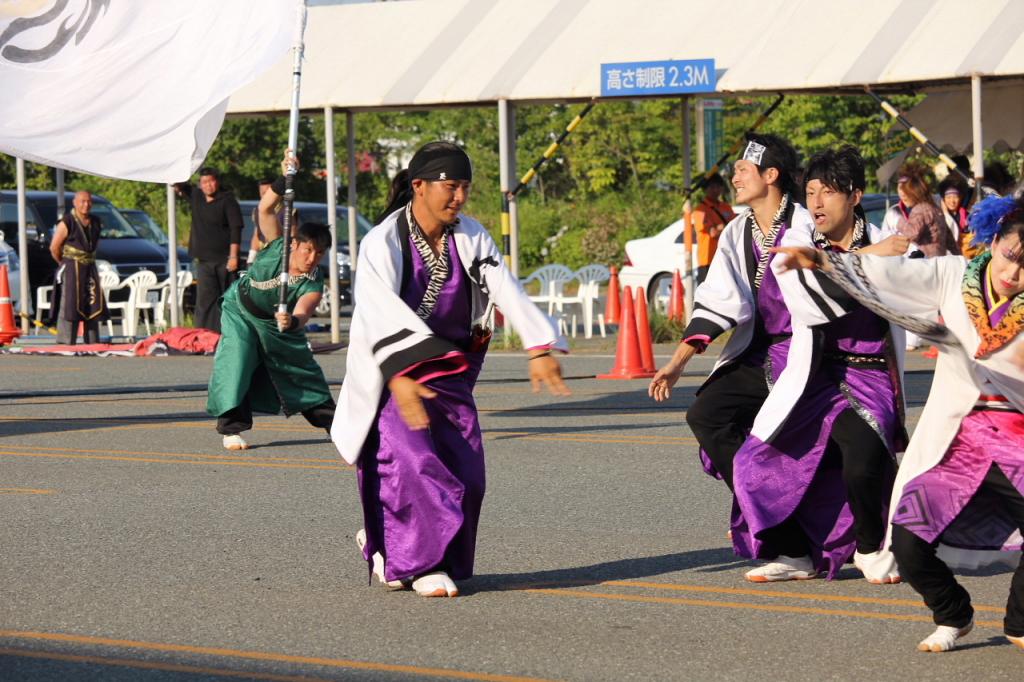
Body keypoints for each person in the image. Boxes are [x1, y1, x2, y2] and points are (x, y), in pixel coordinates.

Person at [772, 194, 1024, 652]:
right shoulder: (953, 275)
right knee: (907, 543)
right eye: (1011, 256)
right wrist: (823, 261)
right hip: (958, 439)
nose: (1014, 274)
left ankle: (1021, 622)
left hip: (1017, 440)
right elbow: (894, 274)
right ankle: (954, 613)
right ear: (996, 239)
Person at [331, 141, 570, 598]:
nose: (458, 197)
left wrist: (538, 345)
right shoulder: (382, 241)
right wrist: (401, 376)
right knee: (414, 464)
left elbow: (503, 285)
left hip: (449, 373)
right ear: (418, 186)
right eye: (449, 186)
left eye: (464, 187)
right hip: (391, 373)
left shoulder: (470, 235)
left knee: (468, 475)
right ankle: (419, 564)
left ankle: (392, 548)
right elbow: (377, 312)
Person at [724, 146, 910, 584]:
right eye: (810, 193)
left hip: (871, 375)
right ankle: (793, 555)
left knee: (863, 463)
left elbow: (918, 295)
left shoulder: (893, 242)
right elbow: (809, 302)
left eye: (828, 192)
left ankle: (869, 549)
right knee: (753, 463)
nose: (817, 203)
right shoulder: (801, 244)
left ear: (856, 195)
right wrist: (870, 257)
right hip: (815, 376)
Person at [648, 132, 809, 537]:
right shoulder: (737, 232)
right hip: (759, 353)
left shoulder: (806, 224)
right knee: (706, 413)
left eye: (742, 169)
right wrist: (675, 364)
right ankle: (762, 504)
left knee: (815, 442)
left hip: (809, 354)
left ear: (770, 174)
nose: (734, 177)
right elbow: (719, 300)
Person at [206, 152, 335, 451]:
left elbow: (304, 310)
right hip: (241, 310)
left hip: (278, 324)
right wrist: (284, 179)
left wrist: (294, 321)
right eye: (308, 250)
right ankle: (231, 428)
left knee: (302, 369)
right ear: (295, 244)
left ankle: (335, 425)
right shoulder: (278, 244)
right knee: (237, 357)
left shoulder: (312, 281)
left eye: (320, 253)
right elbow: (266, 209)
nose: (311, 258)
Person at [881, 163, 960, 350]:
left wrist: (896, 220)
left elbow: (912, 232)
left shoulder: (920, 210)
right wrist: (958, 256)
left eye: (904, 194)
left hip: (924, 264)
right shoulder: (934, 208)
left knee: (913, 303)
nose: (902, 198)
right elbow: (949, 238)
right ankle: (924, 337)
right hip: (937, 264)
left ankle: (913, 339)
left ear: (914, 192)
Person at [175, 167, 243, 332]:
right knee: (205, 300)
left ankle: (228, 332)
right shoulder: (196, 196)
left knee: (226, 298)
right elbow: (178, 185)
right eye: (204, 182)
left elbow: (236, 228)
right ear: (200, 184)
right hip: (204, 260)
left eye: (211, 181)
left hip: (224, 259)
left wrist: (233, 256)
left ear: (217, 181)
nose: (208, 185)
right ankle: (203, 333)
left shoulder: (227, 200)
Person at [48, 190, 108, 344]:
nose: (86, 205)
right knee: (70, 304)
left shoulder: (95, 222)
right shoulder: (67, 222)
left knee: (93, 303)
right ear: (75, 202)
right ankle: (66, 342)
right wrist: (64, 263)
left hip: (90, 268)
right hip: (71, 267)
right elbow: (54, 248)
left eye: (88, 201)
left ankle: (93, 341)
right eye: (82, 201)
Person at [692, 173, 735, 285]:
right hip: (708, 260)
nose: (715, 190)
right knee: (706, 299)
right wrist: (725, 227)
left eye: (718, 186)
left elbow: (735, 228)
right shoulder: (700, 210)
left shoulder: (726, 207)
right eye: (711, 187)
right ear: (705, 189)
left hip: (726, 259)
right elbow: (713, 233)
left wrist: (720, 227)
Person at [938, 175, 978, 258]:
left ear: (960, 198)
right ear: (943, 199)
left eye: (955, 197)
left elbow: (970, 194)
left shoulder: (965, 214)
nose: (952, 201)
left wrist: (972, 186)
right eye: (948, 197)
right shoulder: (939, 216)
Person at [246, 177, 275, 267]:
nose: (265, 196)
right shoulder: (257, 210)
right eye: (262, 193)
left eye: (268, 193)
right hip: (262, 257)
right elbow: (257, 235)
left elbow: (292, 236)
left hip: (278, 257)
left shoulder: (286, 211)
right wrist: (251, 258)